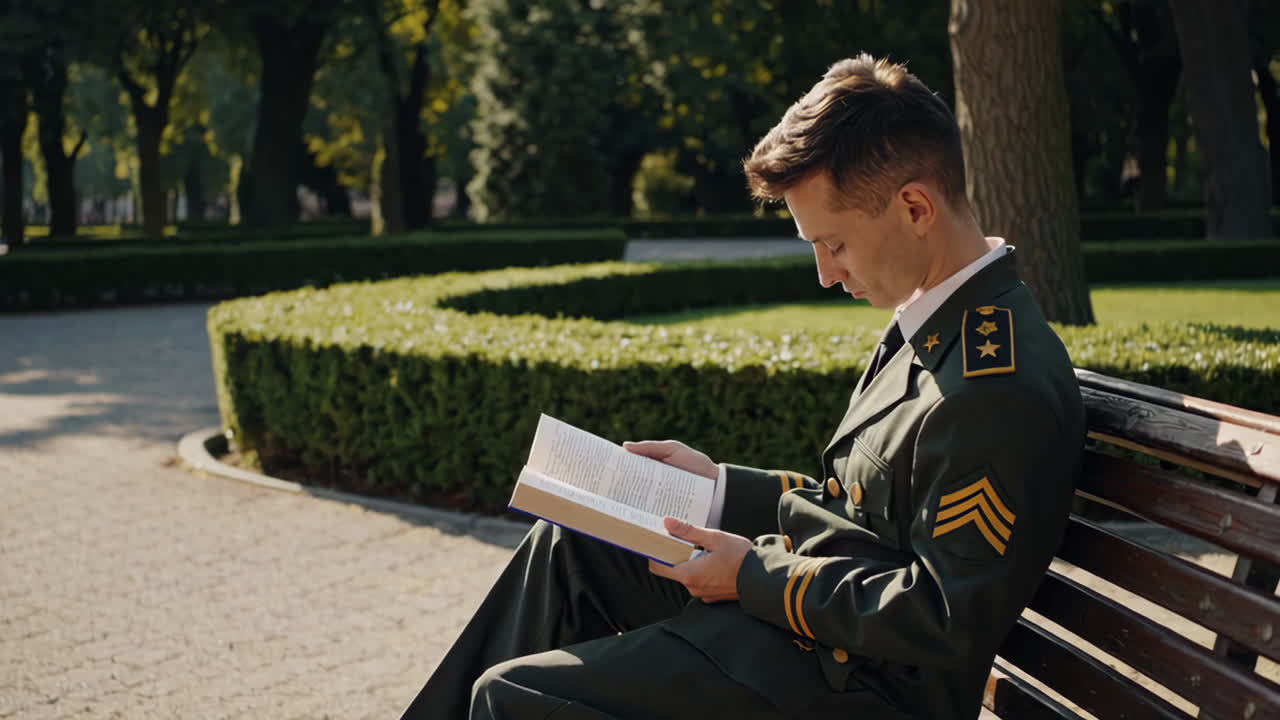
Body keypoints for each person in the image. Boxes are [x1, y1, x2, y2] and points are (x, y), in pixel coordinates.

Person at [399, 53, 1085, 720]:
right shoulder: (941, 320)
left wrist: (752, 575)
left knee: (512, 698)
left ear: (914, 208)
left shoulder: (996, 387)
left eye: (834, 244)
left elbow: (941, 617)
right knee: (577, 546)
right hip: (824, 643)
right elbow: (859, 516)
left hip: (863, 686)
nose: (825, 273)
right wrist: (716, 488)